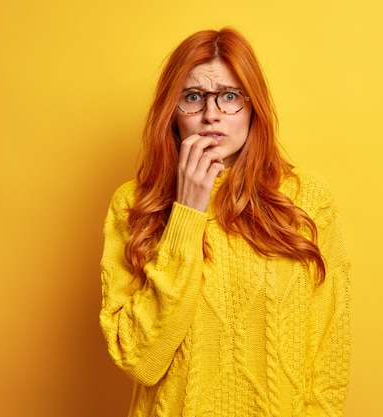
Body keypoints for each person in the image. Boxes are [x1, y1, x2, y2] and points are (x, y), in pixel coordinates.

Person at [99, 27, 351, 417]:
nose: (211, 114)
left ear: (254, 109)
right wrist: (188, 211)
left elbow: (329, 354)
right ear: (173, 111)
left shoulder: (308, 199)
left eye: (230, 96)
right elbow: (141, 360)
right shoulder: (133, 205)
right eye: (193, 97)